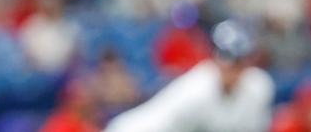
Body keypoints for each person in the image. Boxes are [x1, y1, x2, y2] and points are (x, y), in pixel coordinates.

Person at [103, 20, 274, 132]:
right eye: (228, 62)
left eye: (238, 62)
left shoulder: (259, 87)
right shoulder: (195, 91)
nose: (231, 70)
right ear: (214, 59)